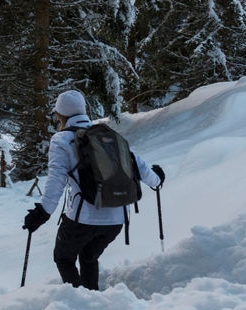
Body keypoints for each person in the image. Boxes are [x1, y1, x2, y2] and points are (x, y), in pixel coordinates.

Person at [21, 89, 165, 290]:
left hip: (83, 218)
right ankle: (93, 299)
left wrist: (42, 214)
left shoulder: (62, 140)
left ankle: (81, 302)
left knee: (63, 258)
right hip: (117, 218)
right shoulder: (109, 135)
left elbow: (56, 180)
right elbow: (138, 165)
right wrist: (157, 179)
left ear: (60, 115)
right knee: (89, 257)